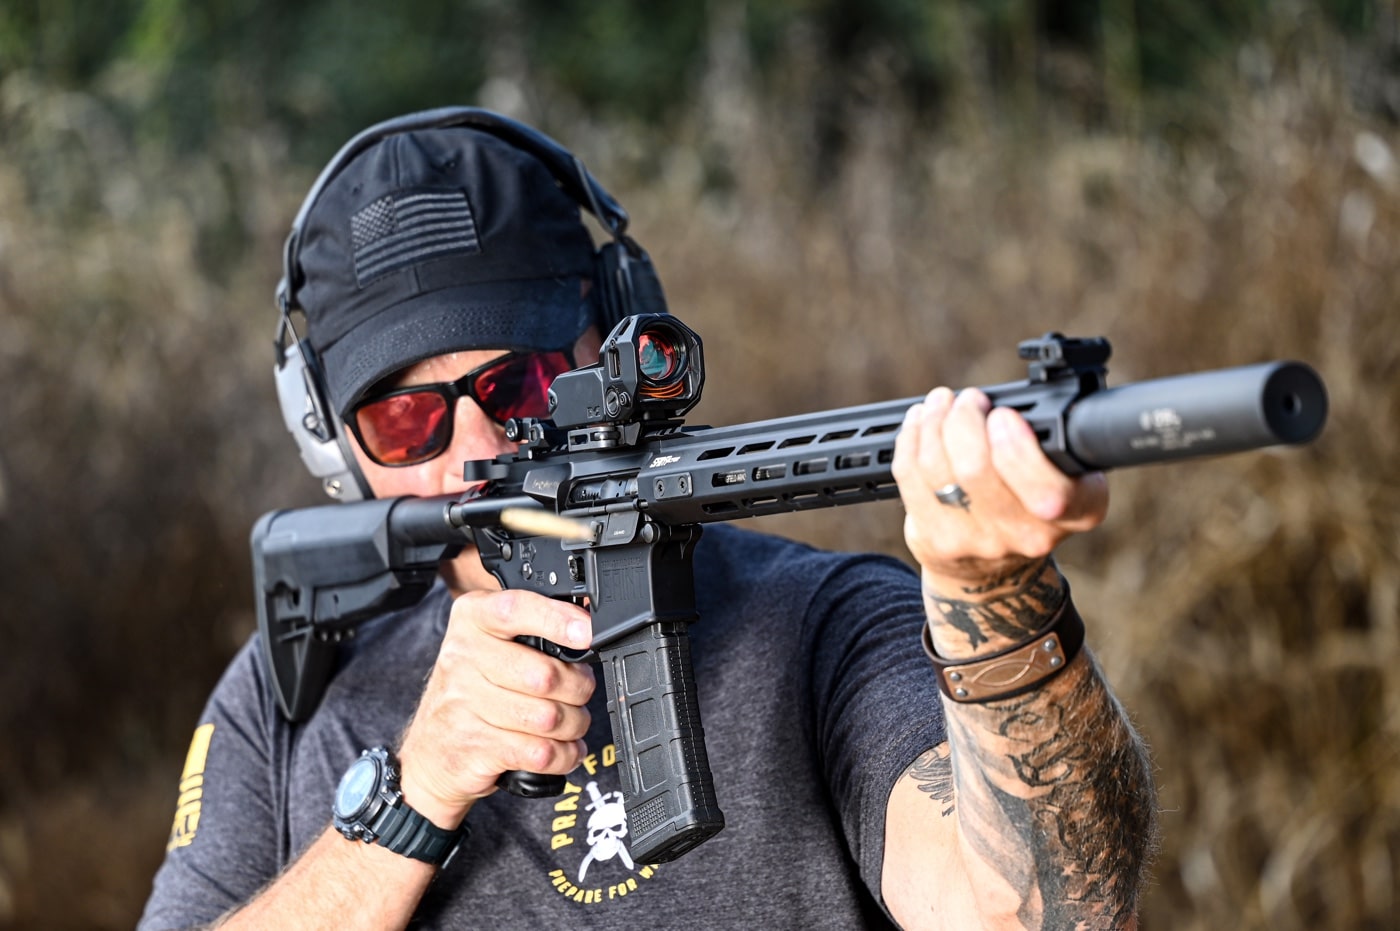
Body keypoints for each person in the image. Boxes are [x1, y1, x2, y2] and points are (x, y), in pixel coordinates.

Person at [139, 109, 1156, 930]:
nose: (481, 443)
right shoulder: (291, 697)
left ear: (615, 336)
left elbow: (1035, 913)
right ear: (332, 443)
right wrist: (411, 795)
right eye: (403, 418)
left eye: (522, 377)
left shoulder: (822, 628)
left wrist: (994, 598)